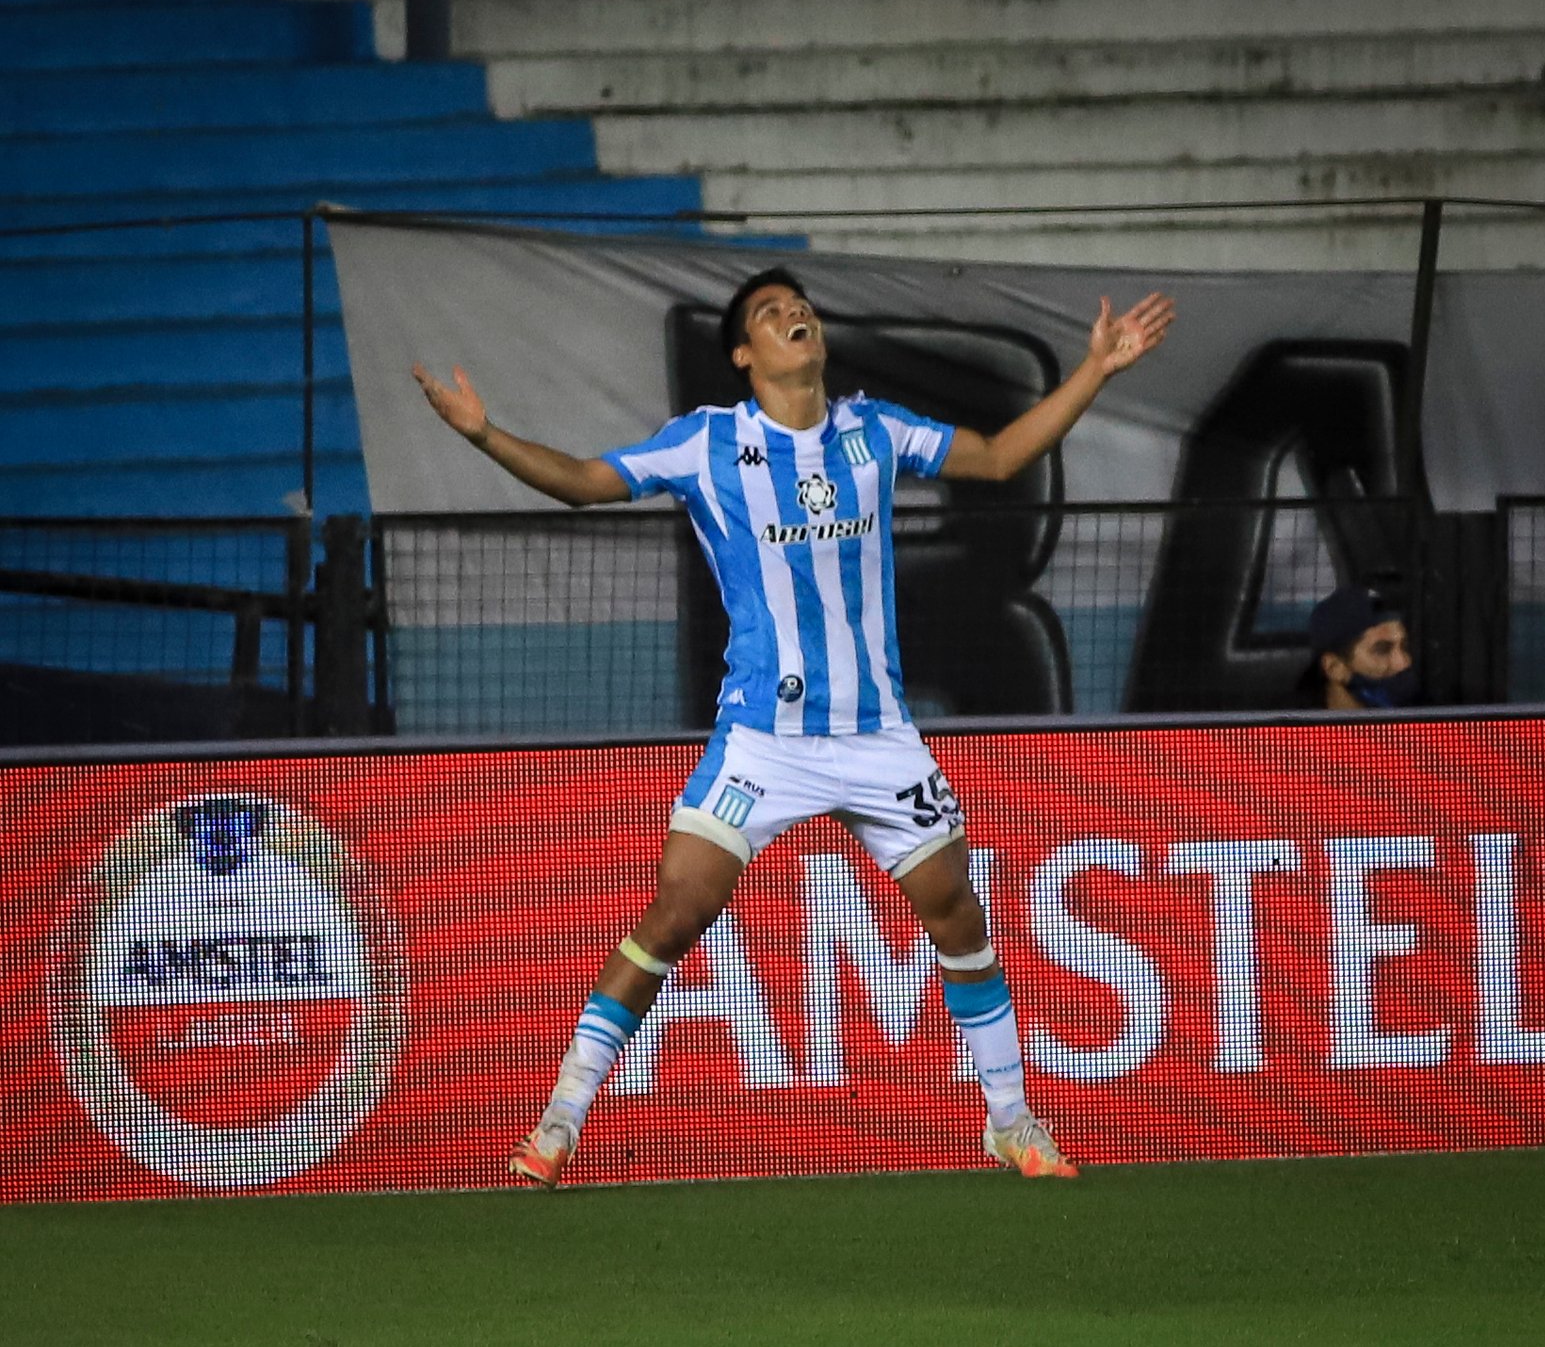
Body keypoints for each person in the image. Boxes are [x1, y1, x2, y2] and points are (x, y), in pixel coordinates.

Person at [412, 266, 1175, 1187]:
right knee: (677, 909)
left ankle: (1010, 1120)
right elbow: (582, 481)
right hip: (764, 739)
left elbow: (1003, 455)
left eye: (799, 305)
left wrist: (1095, 369)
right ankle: (560, 1119)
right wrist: (484, 434)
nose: (794, 314)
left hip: (876, 734)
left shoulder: (874, 431)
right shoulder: (708, 442)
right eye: (771, 314)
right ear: (745, 354)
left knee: (957, 911)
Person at [1307, 584, 1421, 709]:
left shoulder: (1425, 714)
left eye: (1404, 646)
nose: (1403, 663)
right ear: (1334, 667)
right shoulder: (1295, 719)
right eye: (1382, 650)